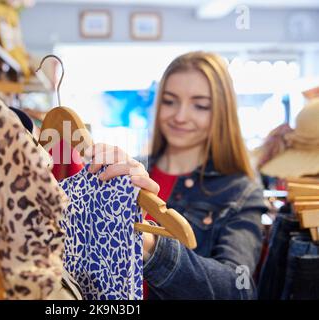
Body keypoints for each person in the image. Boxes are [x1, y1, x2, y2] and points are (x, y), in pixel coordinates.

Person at [85, 51, 267, 299]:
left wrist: (150, 245)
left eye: (200, 105)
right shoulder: (127, 173)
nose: (180, 116)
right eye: (170, 101)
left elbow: (238, 287)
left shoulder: (240, 191)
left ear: (222, 113)